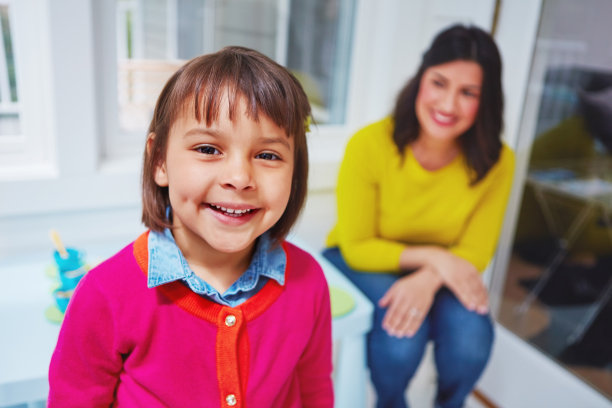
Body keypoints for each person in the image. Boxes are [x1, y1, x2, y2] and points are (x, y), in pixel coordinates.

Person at [48, 46, 333, 407]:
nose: (239, 177)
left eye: (267, 155)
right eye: (208, 149)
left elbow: (315, 390)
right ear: (160, 160)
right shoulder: (104, 295)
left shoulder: (308, 281)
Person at [323, 24, 515, 408]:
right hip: (359, 258)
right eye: (439, 83)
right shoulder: (369, 144)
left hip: (441, 271)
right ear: (420, 80)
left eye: (468, 93)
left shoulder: (499, 161)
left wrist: (428, 278)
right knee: (401, 341)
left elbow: (476, 250)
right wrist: (436, 257)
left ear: (486, 100)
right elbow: (358, 245)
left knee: (471, 339)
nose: (448, 105)